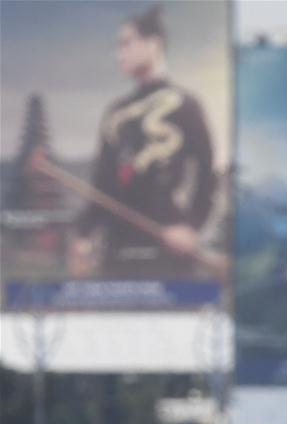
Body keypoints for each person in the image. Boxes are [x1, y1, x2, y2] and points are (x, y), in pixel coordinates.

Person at [68, 4, 215, 280]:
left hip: (168, 245)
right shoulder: (116, 113)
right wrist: (83, 234)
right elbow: (103, 183)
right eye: (117, 45)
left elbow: (207, 174)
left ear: (153, 43)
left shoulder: (186, 105)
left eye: (126, 43)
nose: (118, 54)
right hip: (117, 249)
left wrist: (191, 227)